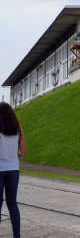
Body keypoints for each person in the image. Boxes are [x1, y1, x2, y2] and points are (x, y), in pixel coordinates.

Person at [0, 102, 27, 238]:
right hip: (13, 169)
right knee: (12, 203)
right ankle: (16, 235)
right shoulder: (17, 130)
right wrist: (15, 161)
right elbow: (24, 151)